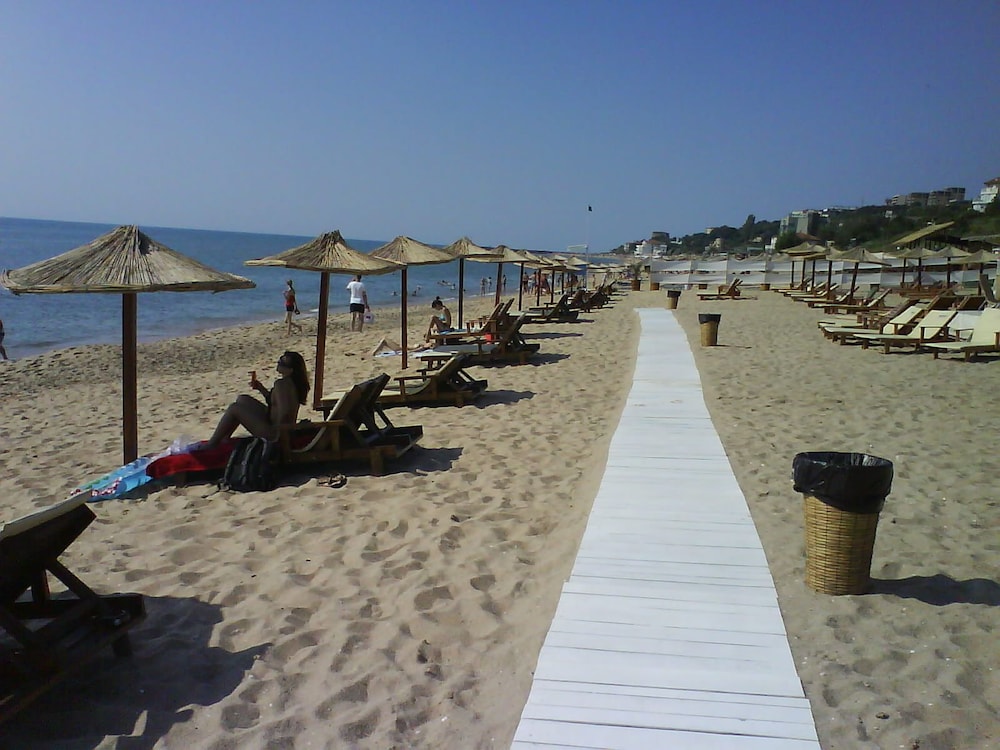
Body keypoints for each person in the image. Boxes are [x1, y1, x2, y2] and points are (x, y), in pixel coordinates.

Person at [206, 351, 310, 448]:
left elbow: (285, 412)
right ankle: (224, 439)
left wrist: (280, 436)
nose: (279, 362)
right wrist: (260, 388)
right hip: (276, 426)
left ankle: (211, 444)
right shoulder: (290, 383)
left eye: (283, 362)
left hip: (275, 433)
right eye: (280, 359)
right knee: (242, 399)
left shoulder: (281, 384)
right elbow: (275, 404)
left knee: (234, 408)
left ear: (291, 370)